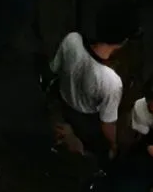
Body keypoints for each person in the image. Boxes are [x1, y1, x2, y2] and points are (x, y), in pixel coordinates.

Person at [49, 18, 127, 159]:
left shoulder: (72, 39)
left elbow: (54, 68)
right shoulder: (111, 81)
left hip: (63, 102)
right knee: (95, 153)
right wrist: (114, 145)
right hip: (87, 121)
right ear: (121, 43)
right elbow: (107, 123)